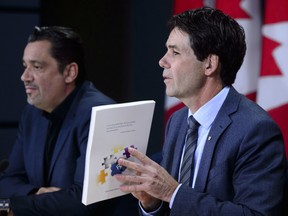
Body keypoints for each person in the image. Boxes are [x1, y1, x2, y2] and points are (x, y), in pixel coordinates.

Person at [114, 7, 287, 216]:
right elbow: (172, 208)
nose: (162, 61)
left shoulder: (256, 130)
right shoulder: (178, 121)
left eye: (175, 52)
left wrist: (173, 192)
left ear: (209, 64)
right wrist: (152, 203)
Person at [0, 26, 117, 215]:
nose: (25, 77)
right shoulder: (31, 114)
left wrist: (11, 206)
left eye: (37, 67)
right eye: (25, 66)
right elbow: (7, 180)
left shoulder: (100, 113)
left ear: (70, 72)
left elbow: (85, 201)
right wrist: (35, 192)